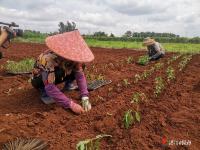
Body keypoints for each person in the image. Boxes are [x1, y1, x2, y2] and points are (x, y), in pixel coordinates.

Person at [31, 30, 94, 114]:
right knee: (58, 74)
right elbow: (50, 86)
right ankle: (44, 92)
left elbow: (80, 75)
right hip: (39, 79)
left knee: (79, 65)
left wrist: (85, 96)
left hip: (56, 73)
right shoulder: (47, 59)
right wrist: (71, 105)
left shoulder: (74, 56)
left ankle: (69, 84)